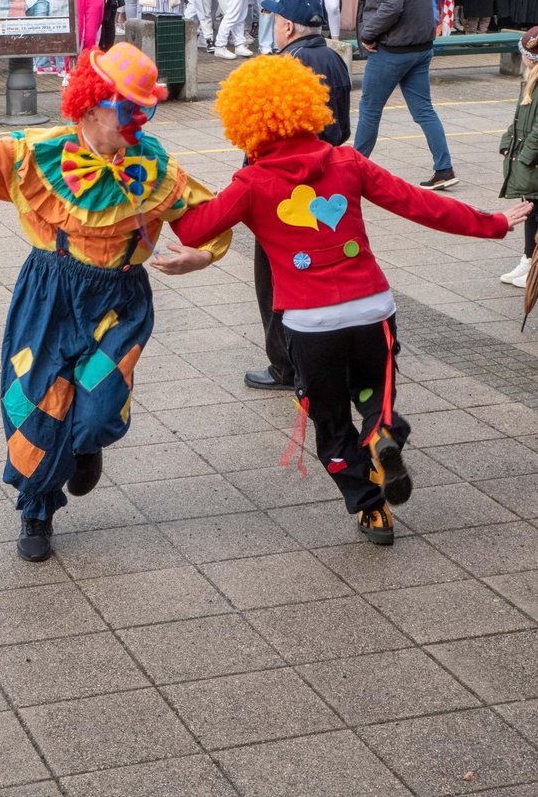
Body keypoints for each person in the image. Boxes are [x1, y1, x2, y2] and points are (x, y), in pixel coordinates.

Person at [168, 54, 530, 545]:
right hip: (372, 312)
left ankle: (370, 508)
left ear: (246, 122)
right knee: (375, 402)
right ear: (308, 108)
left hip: (309, 325)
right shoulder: (346, 160)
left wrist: (164, 188)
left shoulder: (250, 184)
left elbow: (193, 228)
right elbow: (418, 202)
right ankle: (383, 437)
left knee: (332, 427)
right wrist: (490, 223)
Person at [0, 42, 231, 562]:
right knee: (34, 398)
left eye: (149, 109)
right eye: (129, 110)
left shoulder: (154, 164)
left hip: (119, 302)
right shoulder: (42, 153)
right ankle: (36, 506)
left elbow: (207, 214)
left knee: (95, 410)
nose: (139, 122)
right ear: (93, 106)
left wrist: (200, 258)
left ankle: (85, 445)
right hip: (49, 293)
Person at [243, 0, 351, 391]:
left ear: (287, 26)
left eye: (275, 20)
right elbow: (342, 127)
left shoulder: (289, 64)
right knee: (317, 273)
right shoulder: (335, 59)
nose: (274, 25)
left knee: (274, 279)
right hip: (326, 180)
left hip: (286, 188)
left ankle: (286, 367)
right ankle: (319, 360)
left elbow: (268, 135)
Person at [353, 0, 458, 190]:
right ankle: (444, 168)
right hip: (421, 47)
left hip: (394, 49)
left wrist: (367, 33)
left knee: (370, 109)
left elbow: (391, 6)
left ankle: (354, 170)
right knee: (424, 110)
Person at [499, 27, 538, 289]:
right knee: (529, 206)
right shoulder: (529, 82)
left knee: (535, 209)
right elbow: (518, 119)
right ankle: (527, 258)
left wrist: (525, 156)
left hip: (532, 159)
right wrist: (506, 141)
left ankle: (533, 263)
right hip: (526, 157)